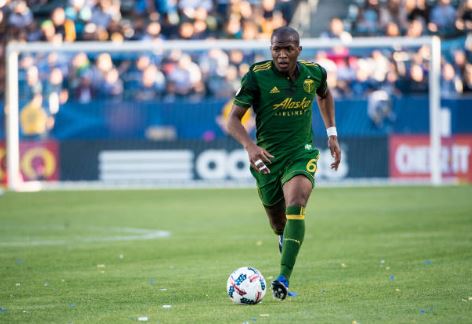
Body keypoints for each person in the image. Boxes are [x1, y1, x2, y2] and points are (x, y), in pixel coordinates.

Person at [226, 26, 341, 300]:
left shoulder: (315, 73)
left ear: (298, 50)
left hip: (301, 153)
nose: (281, 54)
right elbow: (232, 120)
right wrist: (250, 146)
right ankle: (283, 238)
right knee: (279, 224)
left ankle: (283, 278)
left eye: (287, 48)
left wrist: (332, 133)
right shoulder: (257, 75)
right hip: (267, 159)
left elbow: (324, 95)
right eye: (276, 48)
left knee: (297, 200)